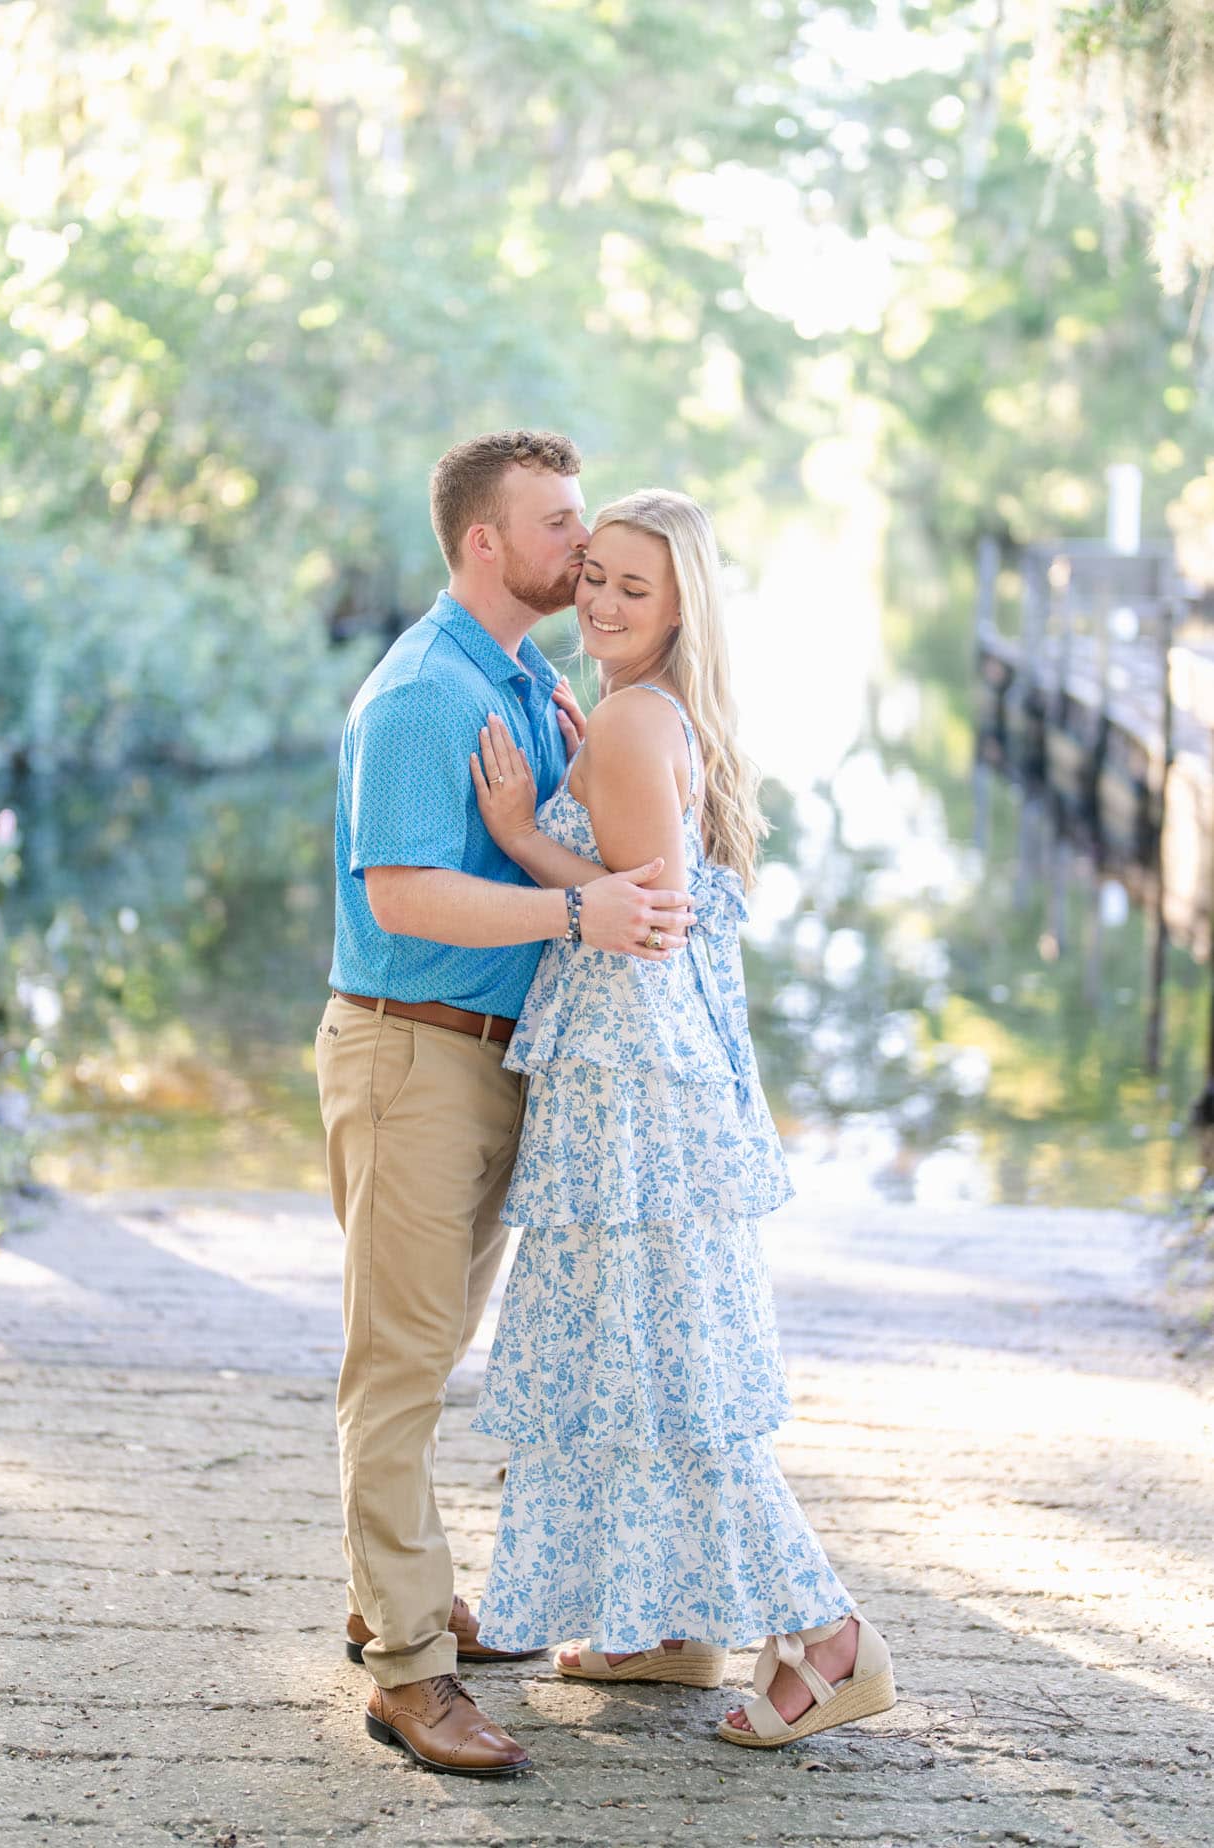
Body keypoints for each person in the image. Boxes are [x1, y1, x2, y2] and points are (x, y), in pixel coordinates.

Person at [467, 488, 896, 1749]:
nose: (597, 599)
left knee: (664, 1368)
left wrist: (514, 834)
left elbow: (648, 917)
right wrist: (580, 755)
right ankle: (668, 1623)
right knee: (626, 1355)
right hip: (632, 1083)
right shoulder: (631, 713)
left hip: (637, 1099)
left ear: (681, 605)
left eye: (630, 589)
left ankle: (829, 1637)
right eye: (591, 573)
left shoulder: (638, 721)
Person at [315, 431, 698, 1778]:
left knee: (430, 1349)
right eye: (558, 528)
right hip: (410, 1055)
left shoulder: (528, 681)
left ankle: (394, 1599)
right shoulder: (424, 694)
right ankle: (407, 1677)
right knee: (399, 1366)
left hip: (489, 1057)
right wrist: (572, 908)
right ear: (485, 542)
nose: (579, 554)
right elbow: (401, 895)